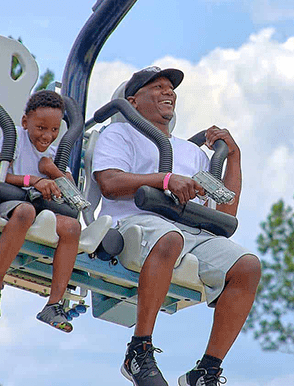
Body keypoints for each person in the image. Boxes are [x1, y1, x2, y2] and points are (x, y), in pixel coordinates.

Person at [92, 66, 261, 386]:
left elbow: (224, 213)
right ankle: (138, 352)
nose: (168, 92)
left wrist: (234, 158)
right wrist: (165, 180)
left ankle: (206, 371)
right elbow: (110, 183)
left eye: (170, 88)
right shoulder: (119, 133)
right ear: (133, 101)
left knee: (247, 266)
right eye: (156, 87)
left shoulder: (191, 152)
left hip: (187, 232)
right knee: (168, 238)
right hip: (134, 223)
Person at [0, 90, 83, 333]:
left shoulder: (54, 155)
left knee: (72, 227)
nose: (47, 136)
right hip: (12, 203)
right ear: (26, 122)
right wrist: (33, 180)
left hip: (41, 210)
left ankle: (54, 305)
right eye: (41, 128)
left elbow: (73, 196)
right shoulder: (13, 138)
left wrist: (53, 172)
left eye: (54, 130)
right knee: (25, 212)